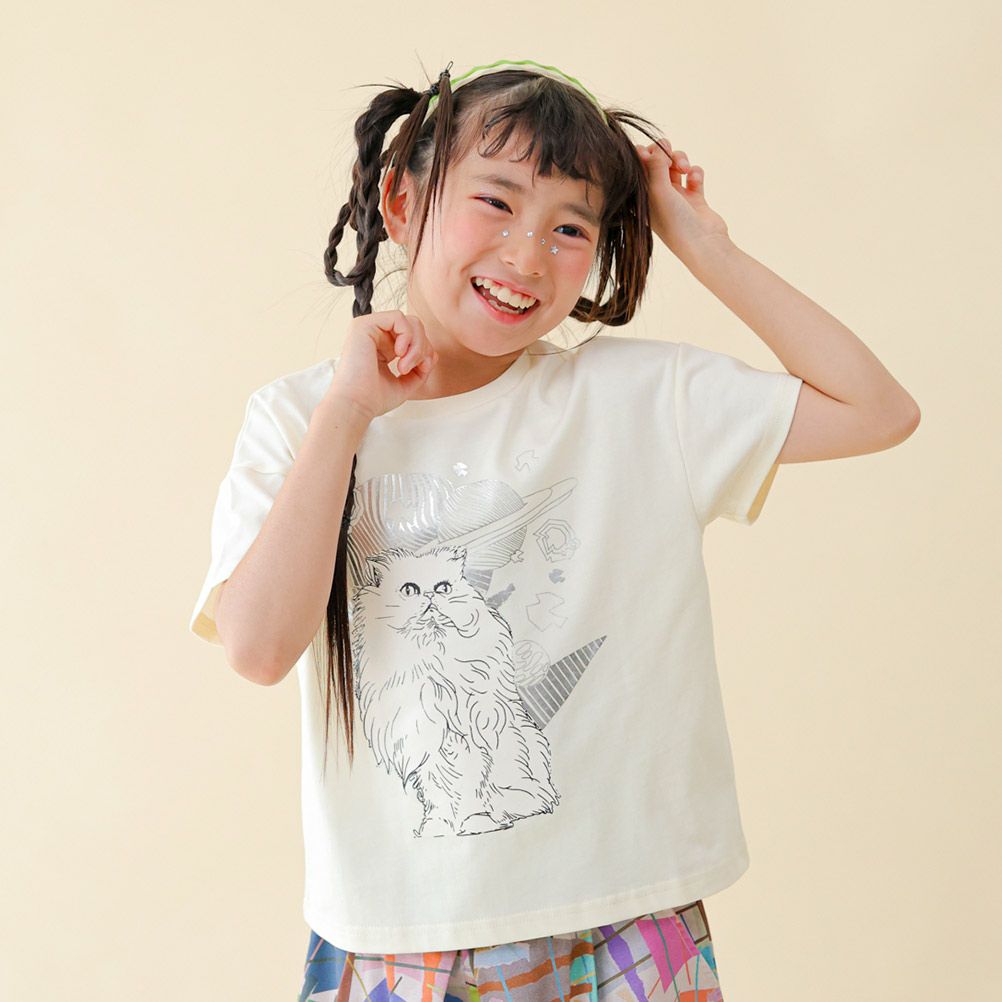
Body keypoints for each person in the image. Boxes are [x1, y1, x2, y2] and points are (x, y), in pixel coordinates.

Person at [187, 58, 920, 1002]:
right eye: (495, 202)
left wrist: (706, 246)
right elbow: (257, 647)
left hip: (626, 916)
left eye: (570, 227)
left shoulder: (641, 400)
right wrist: (349, 412)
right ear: (402, 204)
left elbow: (878, 410)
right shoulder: (298, 418)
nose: (528, 257)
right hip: (403, 937)